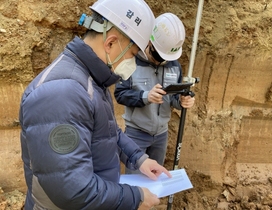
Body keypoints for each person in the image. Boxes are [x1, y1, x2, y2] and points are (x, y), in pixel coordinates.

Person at [19, 0, 172, 209]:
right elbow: (73, 190)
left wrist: (138, 159)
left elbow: (107, 132)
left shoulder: (91, 80)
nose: (132, 64)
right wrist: (135, 197)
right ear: (110, 43)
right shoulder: (62, 93)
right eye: (133, 55)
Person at [114, 13, 195, 174]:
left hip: (161, 135)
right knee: (136, 187)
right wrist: (146, 97)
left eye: (164, 57)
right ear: (150, 42)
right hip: (136, 134)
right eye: (158, 55)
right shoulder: (131, 61)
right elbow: (120, 94)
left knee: (155, 181)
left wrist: (182, 101)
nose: (160, 61)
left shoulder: (174, 66)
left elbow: (173, 99)